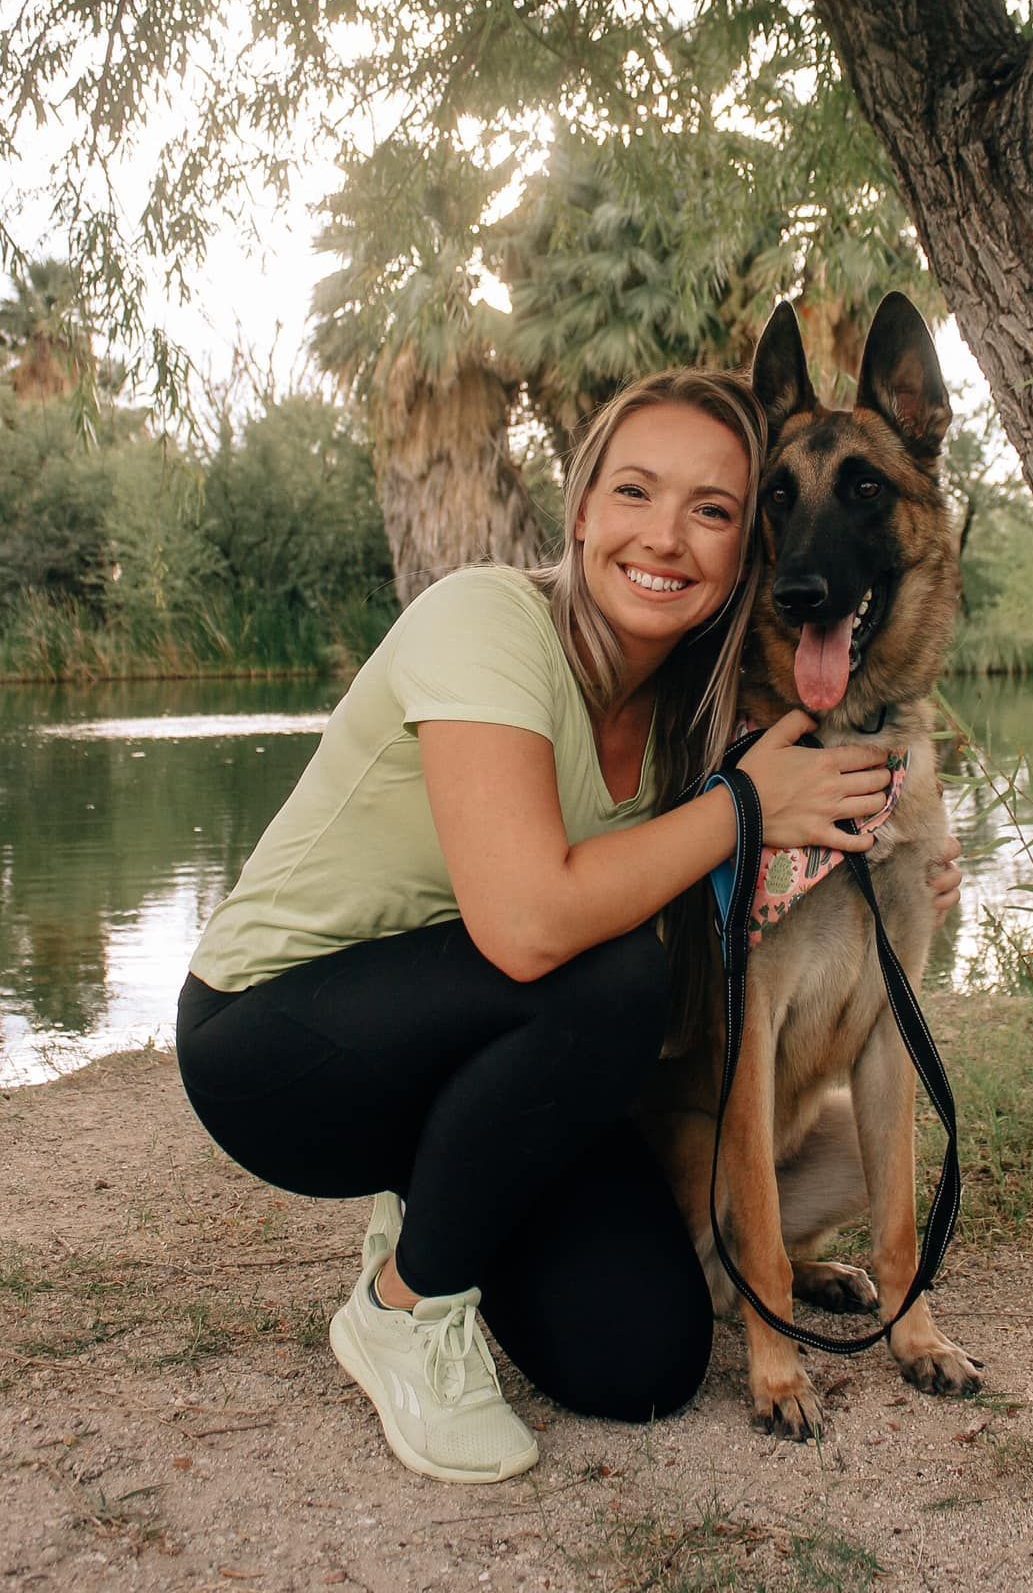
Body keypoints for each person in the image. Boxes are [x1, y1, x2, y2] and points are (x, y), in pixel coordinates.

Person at [175, 369, 962, 1487]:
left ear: (749, 545)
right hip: (277, 1041)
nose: (667, 535)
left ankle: (444, 1186)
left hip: (488, 1050)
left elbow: (709, 933)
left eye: (712, 509)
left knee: (641, 1362)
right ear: (582, 507)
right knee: (607, 974)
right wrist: (745, 806)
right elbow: (531, 926)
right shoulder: (483, 620)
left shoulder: (695, 708)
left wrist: (896, 862)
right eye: (635, 491)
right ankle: (403, 1308)